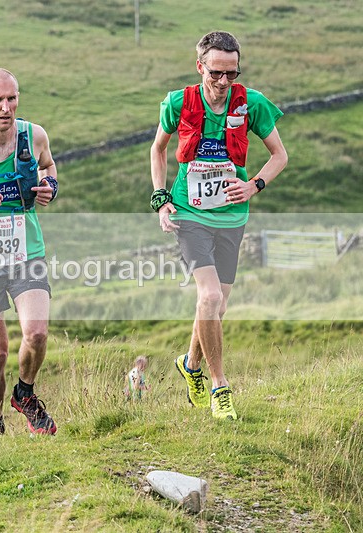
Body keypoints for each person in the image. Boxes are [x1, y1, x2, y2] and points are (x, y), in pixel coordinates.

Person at [150, 31, 287, 420]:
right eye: (216, 73)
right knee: (209, 298)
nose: (224, 82)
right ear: (200, 67)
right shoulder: (178, 102)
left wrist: (253, 185)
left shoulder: (252, 103)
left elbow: (280, 156)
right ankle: (219, 387)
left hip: (232, 216)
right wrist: (161, 200)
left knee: (219, 305)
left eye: (232, 73)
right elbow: (157, 150)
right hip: (189, 213)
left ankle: (190, 364)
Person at [0, 68, 58, 435]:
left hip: (27, 251)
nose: (6, 107)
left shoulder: (33, 135)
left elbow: (49, 167)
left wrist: (49, 187)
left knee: (37, 333)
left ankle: (24, 393)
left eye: (12, 99)